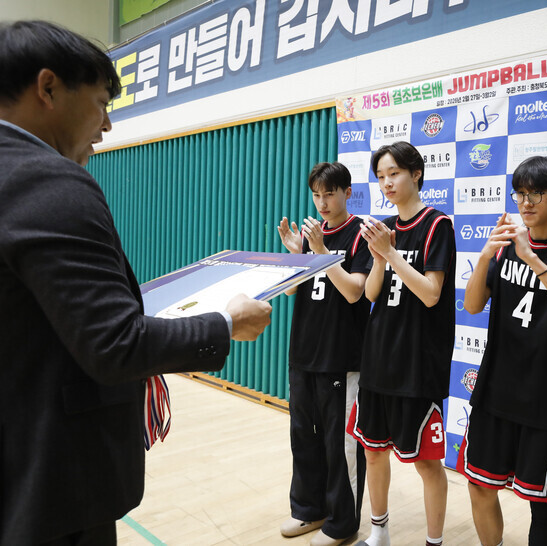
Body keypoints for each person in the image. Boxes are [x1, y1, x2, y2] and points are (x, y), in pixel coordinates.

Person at [0, 20, 272, 545]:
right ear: (48, 87)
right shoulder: (46, 179)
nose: (106, 126)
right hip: (53, 491)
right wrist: (226, 322)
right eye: (101, 104)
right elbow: (116, 344)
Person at [458, 155, 547, 546]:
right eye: (519, 193)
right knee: (479, 485)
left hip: (546, 397)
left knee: (541, 500)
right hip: (495, 390)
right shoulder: (505, 245)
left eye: (535, 194)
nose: (525, 202)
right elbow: (472, 305)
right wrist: (485, 254)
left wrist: (532, 259)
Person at [346, 141, 455, 546]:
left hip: (417, 363)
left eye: (394, 173)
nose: (387, 183)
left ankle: (434, 541)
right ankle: (379, 531)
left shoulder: (437, 225)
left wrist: (390, 253)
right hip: (379, 357)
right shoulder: (385, 227)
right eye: (380, 176)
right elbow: (371, 294)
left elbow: (431, 293)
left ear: (416, 174)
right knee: (373, 451)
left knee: (426, 463)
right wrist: (379, 257)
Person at [276, 162, 370, 546]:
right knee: (303, 437)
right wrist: (295, 255)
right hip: (303, 352)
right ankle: (308, 509)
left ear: (347, 192)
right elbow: (289, 290)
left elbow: (354, 291)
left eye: (329, 193)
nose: (322, 202)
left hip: (341, 357)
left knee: (340, 445)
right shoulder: (310, 236)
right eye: (316, 195)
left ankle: (342, 523)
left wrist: (319, 252)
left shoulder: (362, 233)